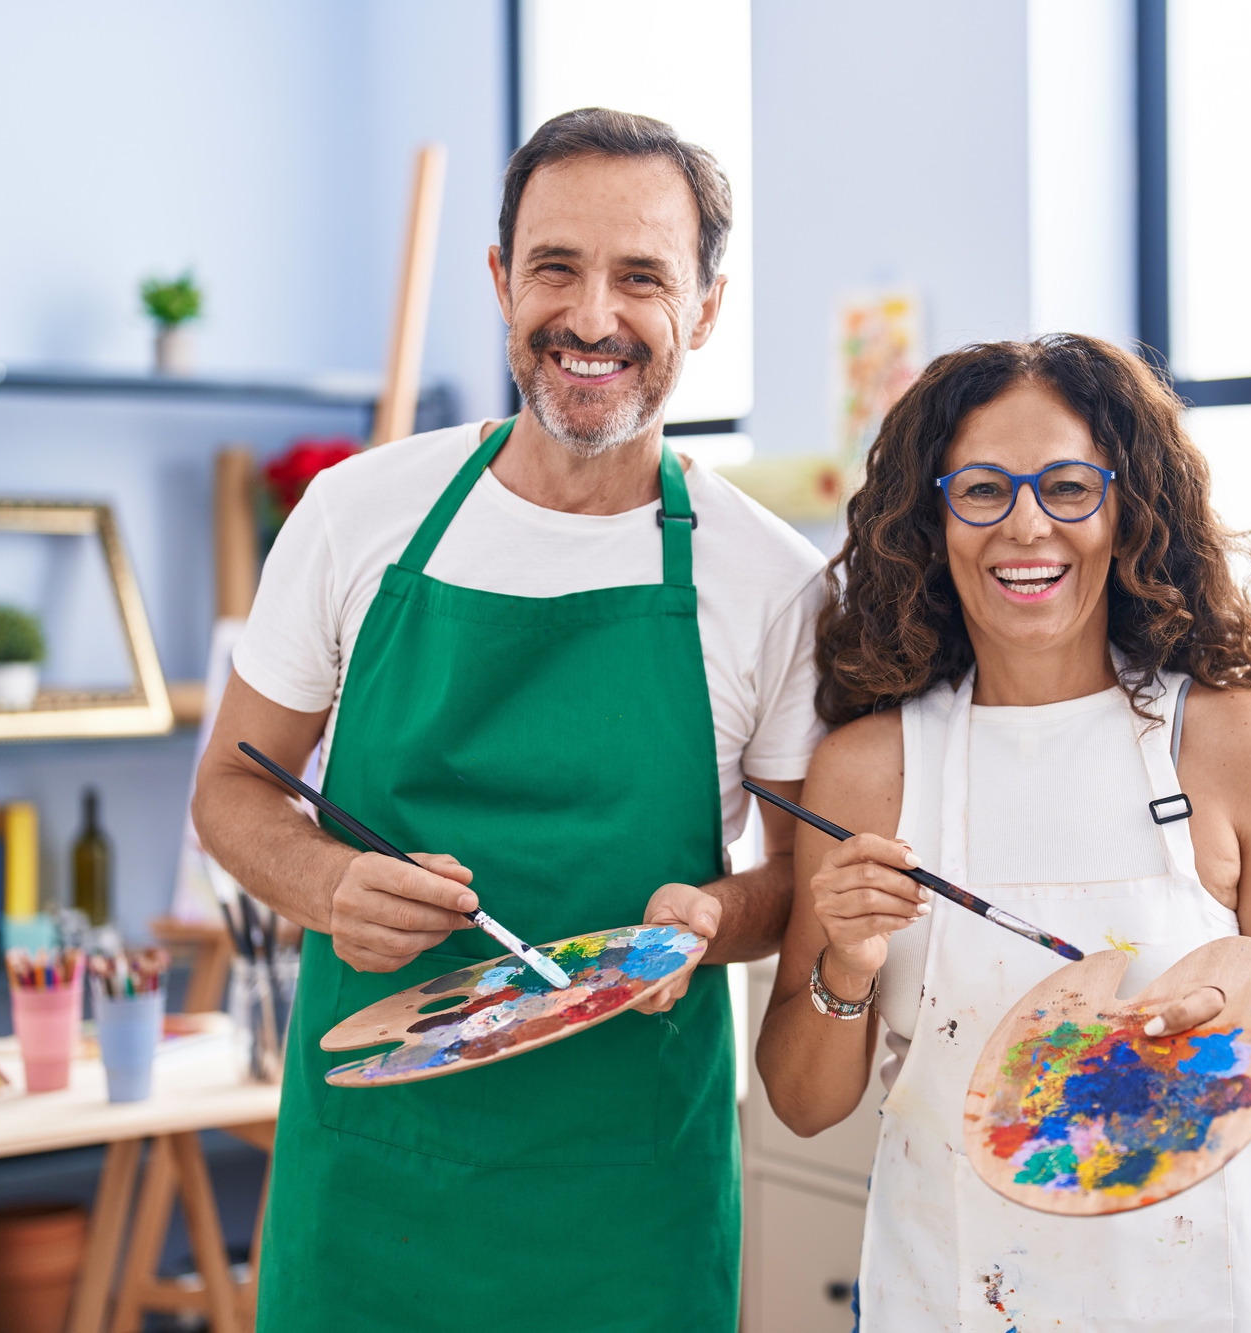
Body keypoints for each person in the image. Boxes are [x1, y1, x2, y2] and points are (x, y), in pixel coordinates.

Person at [191, 108, 824, 1331]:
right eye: (554, 267)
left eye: (641, 276)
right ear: (498, 281)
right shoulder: (354, 515)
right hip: (373, 1182)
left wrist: (712, 915)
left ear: (704, 307)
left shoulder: (774, 582)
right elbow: (232, 784)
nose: (592, 317)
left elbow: (797, 883)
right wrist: (327, 884)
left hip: (627, 1199)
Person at [755, 335, 1251, 1331]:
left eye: (1069, 486)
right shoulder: (864, 768)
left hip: (1192, 1298)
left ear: (1126, 512)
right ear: (931, 516)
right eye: (982, 489)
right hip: (940, 1295)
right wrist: (848, 965)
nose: (1026, 524)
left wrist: (1223, 1038)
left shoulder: (1226, 743)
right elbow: (803, 1102)